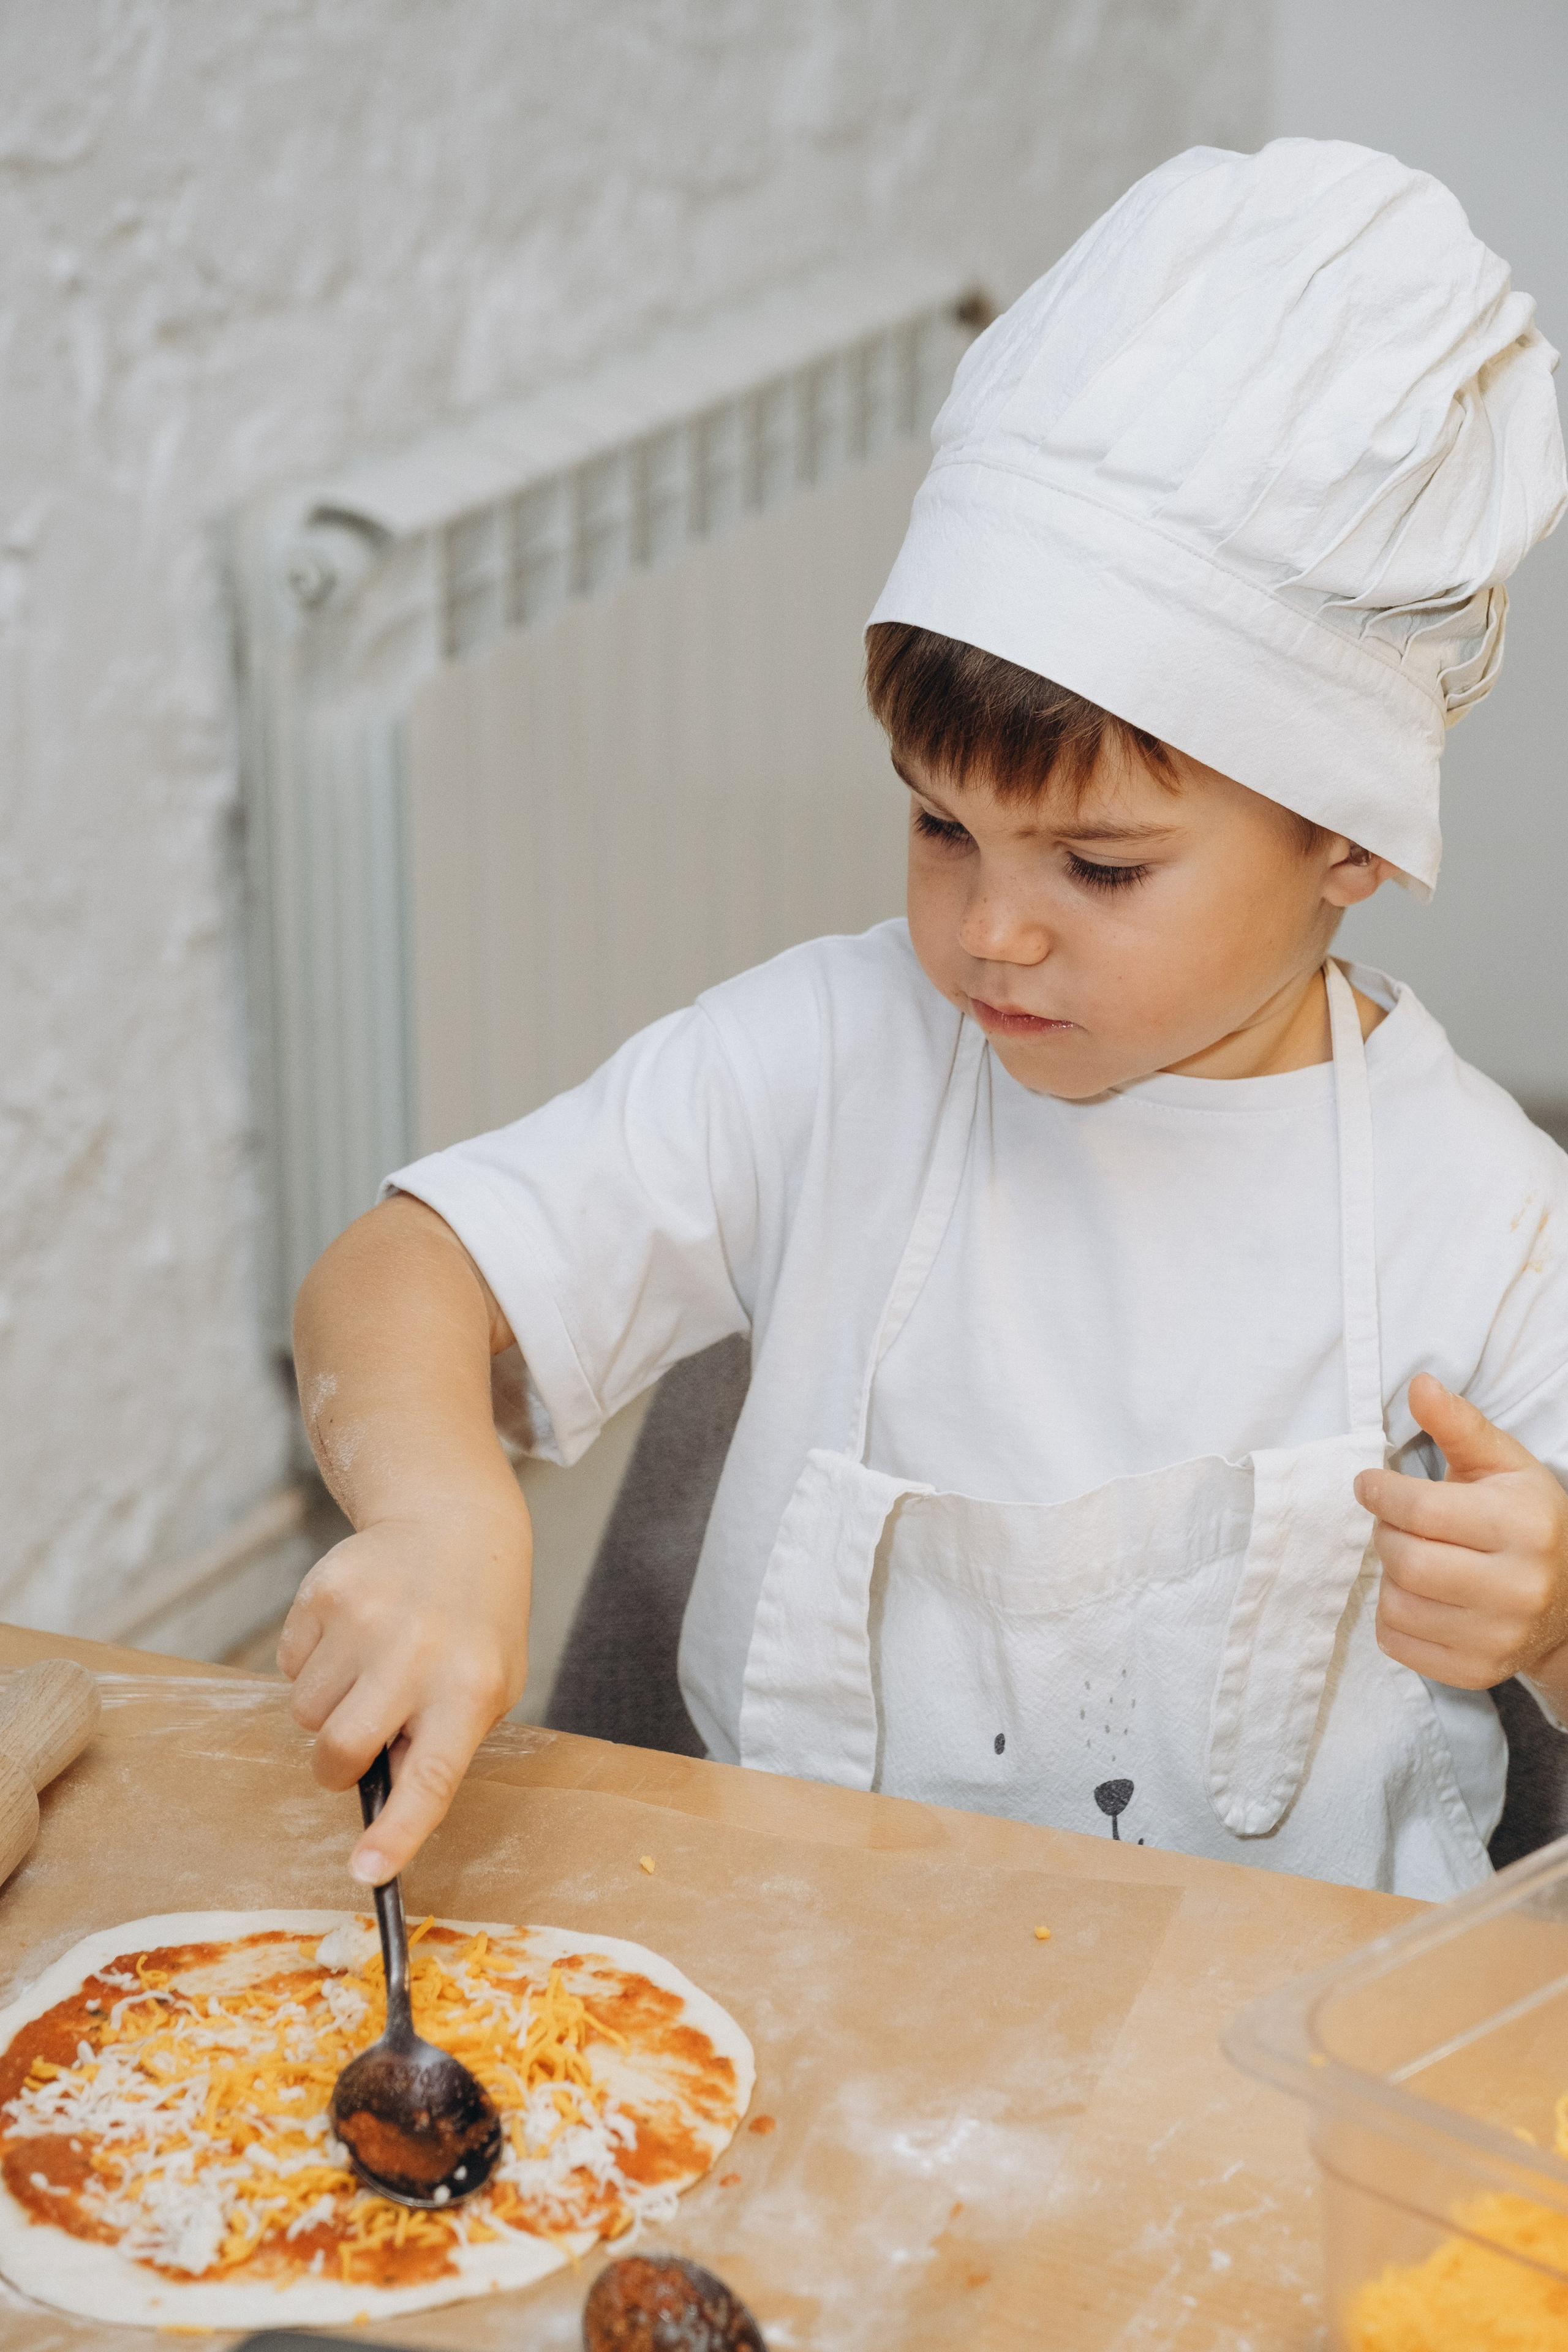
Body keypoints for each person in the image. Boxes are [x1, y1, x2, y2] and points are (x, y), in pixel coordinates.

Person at [282, 140, 1568, 1901]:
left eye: (1102, 868)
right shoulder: (831, 1063)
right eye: (939, 825)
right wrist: (437, 1512)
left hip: (1274, 2082)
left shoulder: (1482, 1212)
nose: (988, 929)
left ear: (1345, 838)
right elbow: (402, 1271)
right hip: (822, 2001)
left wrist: (1553, 1608)